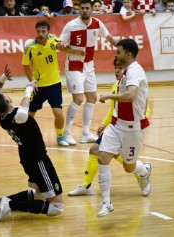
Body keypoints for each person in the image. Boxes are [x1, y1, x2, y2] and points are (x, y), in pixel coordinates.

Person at [0, 65, 64, 222]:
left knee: (39, 194)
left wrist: (3, 78)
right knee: (57, 208)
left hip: (27, 157)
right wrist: (28, 90)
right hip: (38, 159)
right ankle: (10, 205)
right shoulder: (16, 117)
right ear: (7, 100)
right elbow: (22, 113)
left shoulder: (3, 117)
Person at [68, 58, 151, 196]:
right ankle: (86, 185)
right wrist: (104, 124)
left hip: (131, 129)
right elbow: (114, 109)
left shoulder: (134, 84)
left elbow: (143, 109)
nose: (117, 70)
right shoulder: (116, 86)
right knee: (95, 150)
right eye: (116, 68)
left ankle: (142, 173)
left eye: (120, 68)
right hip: (117, 127)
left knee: (126, 164)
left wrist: (138, 121)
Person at [96, 39, 151, 217]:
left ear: (128, 55)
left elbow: (131, 96)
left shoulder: (135, 71)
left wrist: (109, 96)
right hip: (117, 124)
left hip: (134, 128)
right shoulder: (126, 71)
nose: (115, 55)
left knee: (129, 167)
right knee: (102, 157)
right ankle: (106, 202)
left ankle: (144, 171)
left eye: (118, 52)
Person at [59, 0, 118, 145]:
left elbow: (109, 38)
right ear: (79, 10)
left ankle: (85, 133)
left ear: (92, 9)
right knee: (78, 98)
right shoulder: (71, 25)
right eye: (83, 8)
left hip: (89, 66)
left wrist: (122, 47)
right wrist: (72, 50)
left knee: (92, 98)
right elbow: (59, 46)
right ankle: (66, 133)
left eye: (87, 8)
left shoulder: (97, 23)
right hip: (74, 66)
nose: (85, 10)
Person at [22, 20, 85, 147]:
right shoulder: (30, 47)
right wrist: (31, 82)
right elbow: (25, 65)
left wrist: (76, 52)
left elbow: (61, 46)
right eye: (38, 31)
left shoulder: (53, 40)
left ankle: (60, 136)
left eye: (43, 31)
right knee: (30, 114)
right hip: (38, 87)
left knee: (58, 113)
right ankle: (26, 136)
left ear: (48, 32)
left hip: (54, 85)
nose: (41, 34)